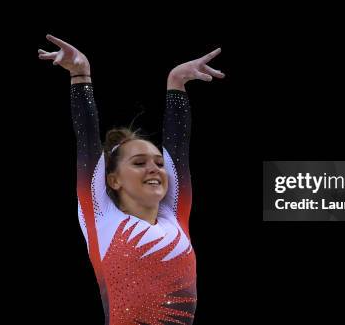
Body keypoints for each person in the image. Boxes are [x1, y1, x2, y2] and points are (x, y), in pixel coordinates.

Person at [38, 34, 224, 325]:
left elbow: (179, 150)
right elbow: (87, 140)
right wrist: (80, 75)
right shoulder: (100, 217)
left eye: (159, 163)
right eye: (139, 163)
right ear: (112, 180)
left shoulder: (174, 217)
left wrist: (176, 83)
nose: (154, 168)